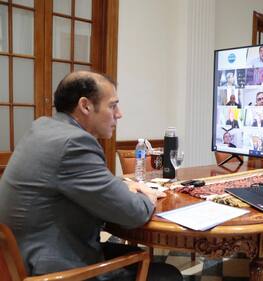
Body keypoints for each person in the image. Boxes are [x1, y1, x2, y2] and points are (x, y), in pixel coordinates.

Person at [0, 71, 183, 281]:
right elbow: (133, 213)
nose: (119, 113)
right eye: (113, 105)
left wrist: (123, 186)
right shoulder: (74, 144)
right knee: (168, 274)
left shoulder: (43, 127)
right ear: (85, 106)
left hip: (20, 261)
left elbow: (84, 182)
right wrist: (147, 197)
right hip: (54, 271)